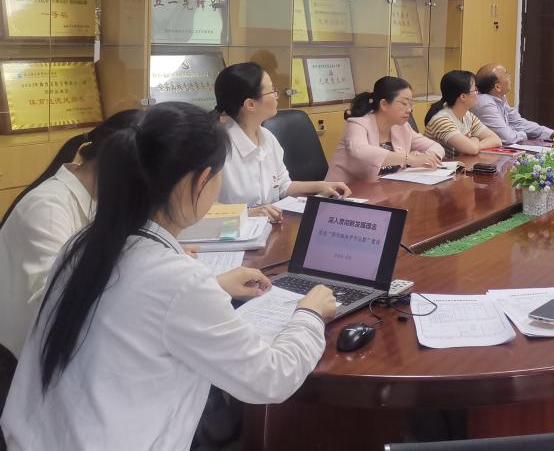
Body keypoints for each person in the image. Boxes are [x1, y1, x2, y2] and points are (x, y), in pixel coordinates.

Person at [0, 102, 337, 450]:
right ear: (202, 180)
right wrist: (309, 314)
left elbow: (137, 307)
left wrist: (212, 287)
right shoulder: (175, 279)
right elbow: (270, 378)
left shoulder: (85, 244)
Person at [0, 112, 140, 358]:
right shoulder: (48, 206)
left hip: (61, 347)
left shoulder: (99, 197)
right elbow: (55, 299)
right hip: (17, 358)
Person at [214, 62, 350, 222]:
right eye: (272, 90)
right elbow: (202, 208)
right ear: (250, 104)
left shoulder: (267, 137)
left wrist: (321, 186)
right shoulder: (217, 147)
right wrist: (248, 214)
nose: (277, 95)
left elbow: (283, 186)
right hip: (231, 232)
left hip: (269, 228)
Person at [327, 76, 444, 182]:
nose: (409, 109)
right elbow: (360, 151)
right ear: (384, 104)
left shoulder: (402, 127)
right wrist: (409, 159)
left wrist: (425, 157)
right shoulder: (357, 124)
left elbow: (436, 146)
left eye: (410, 104)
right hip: (345, 193)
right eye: (404, 104)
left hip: (384, 190)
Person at [472, 63, 554, 145]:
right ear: (497, 87)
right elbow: (508, 138)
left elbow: (518, 123)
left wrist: (552, 133)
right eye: (506, 75)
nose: (509, 77)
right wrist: (524, 135)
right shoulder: (485, 103)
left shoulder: (499, 98)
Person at [423, 70, 501, 156]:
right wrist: (474, 139)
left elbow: (496, 140)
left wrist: (475, 143)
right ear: (463, 96)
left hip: (459, 163)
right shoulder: (441, 120)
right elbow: (472, 149)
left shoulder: (467, 115)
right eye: (475, 90)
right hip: (440, 164)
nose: (477, 93)